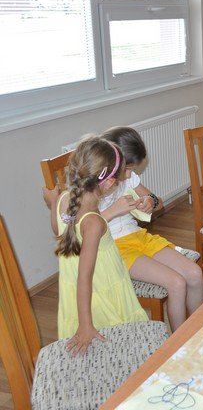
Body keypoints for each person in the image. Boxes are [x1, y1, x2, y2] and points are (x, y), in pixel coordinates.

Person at [49, 136, 148, 355]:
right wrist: (86, 325)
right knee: (120, 346)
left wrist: (52, 202)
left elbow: (58, 229)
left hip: (75, 293)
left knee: (100, 353)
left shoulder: (64, 199)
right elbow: (84, 277)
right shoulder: (93, 222)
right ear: (110, 183)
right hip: (101, 292)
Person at [100, 127, 203, 332]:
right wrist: (113, 211)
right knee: (176, 283)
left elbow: (159, 202)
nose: (129, 175)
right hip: (113, 248)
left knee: (194, 273)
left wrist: (150, 201)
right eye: (126, 169)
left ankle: (199, 331)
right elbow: (81, 229)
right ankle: (180, 341)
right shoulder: (92, 185)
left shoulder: (128, 177)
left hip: (138, 237)